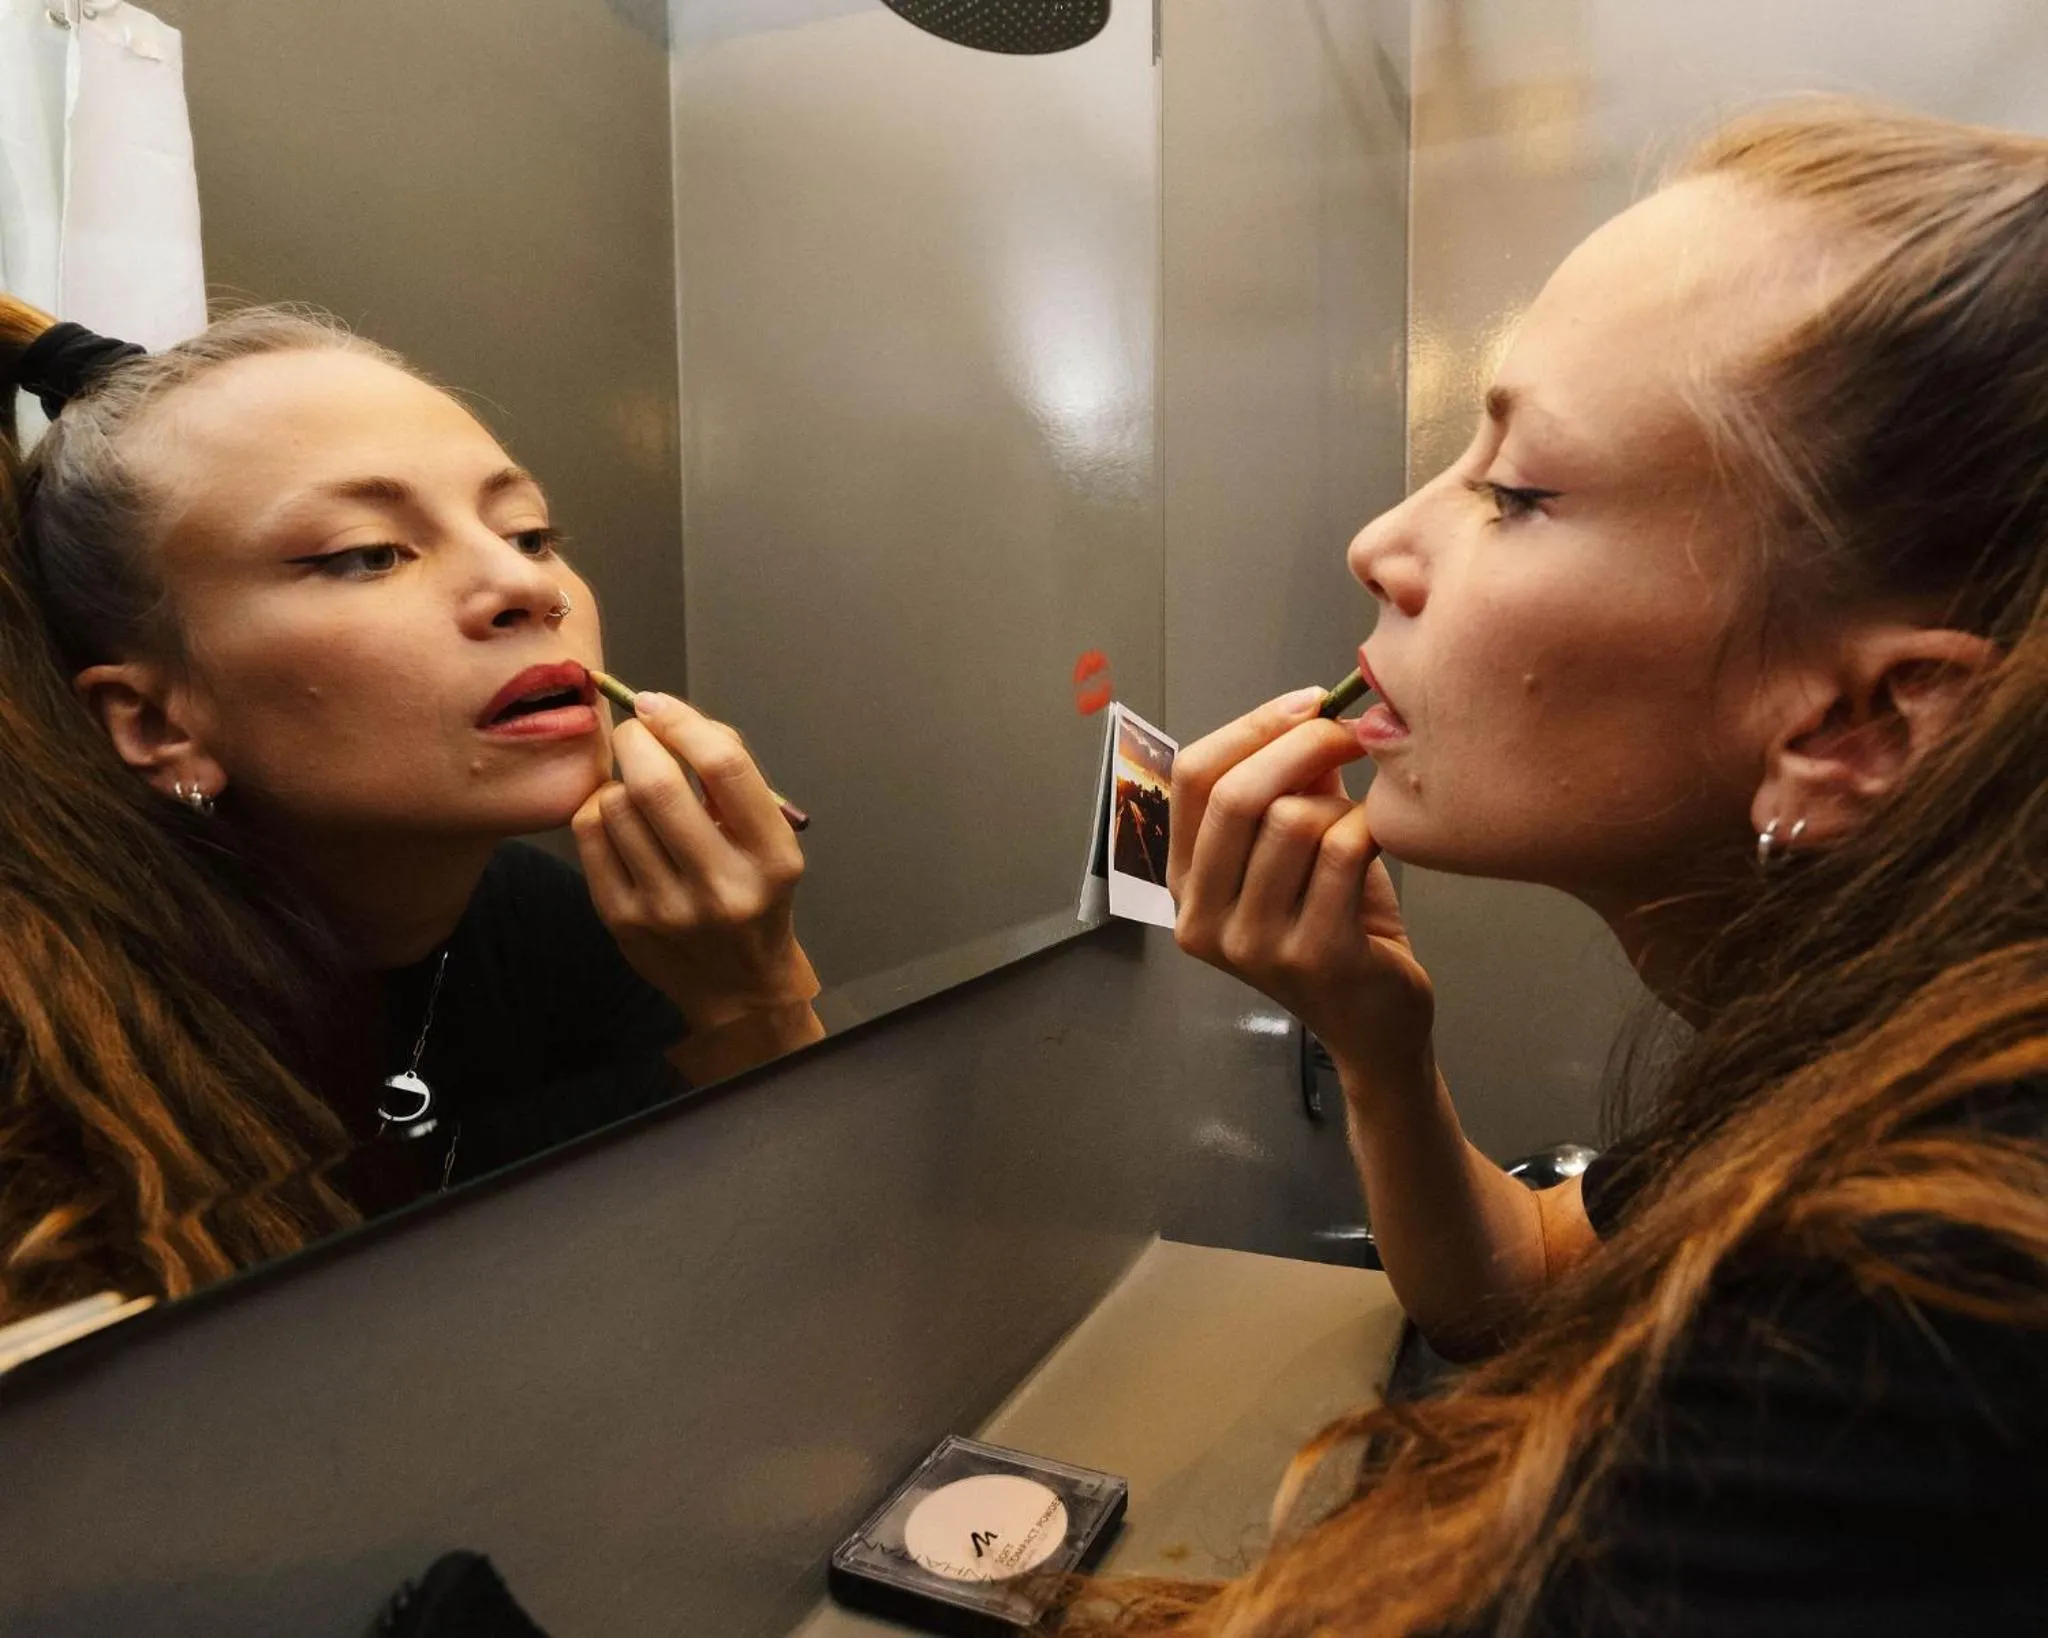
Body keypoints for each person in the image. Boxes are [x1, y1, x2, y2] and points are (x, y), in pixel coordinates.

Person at [1060, 102, 2048, 1636]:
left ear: (1864, 721)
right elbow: (1522, 1279)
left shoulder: (1925, 1308)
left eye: (1514, 492)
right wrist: (1372, 1035)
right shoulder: (1881, 1051)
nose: (1383, 542)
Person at [0, 299, 823, 1322]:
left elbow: (782, 1303)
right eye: (366, 553)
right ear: (158, 720)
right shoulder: (40, 1052)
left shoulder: (581, 932)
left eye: (528, 531)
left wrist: (754, 1000)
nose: (522, 586)